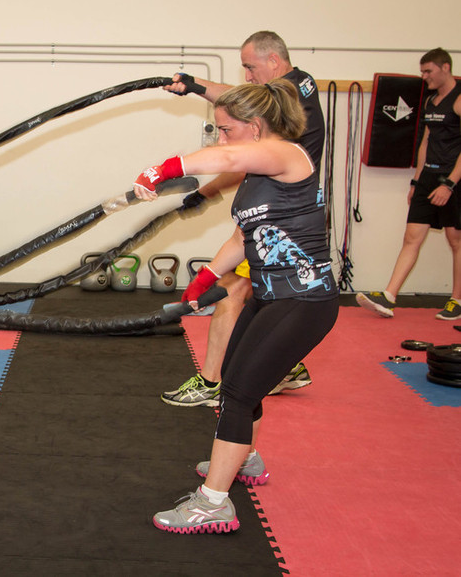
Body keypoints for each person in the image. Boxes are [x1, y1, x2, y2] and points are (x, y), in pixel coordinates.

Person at [133, 80, 339, 533]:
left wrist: (162, 169)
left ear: (255, 127)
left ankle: (213, 504)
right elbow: (244, 237)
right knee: (237, 384)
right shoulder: (259, 177)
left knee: (239, 395)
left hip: (304, 300)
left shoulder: (288, 154)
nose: (222, 140)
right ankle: (245, 457)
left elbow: (226, 159)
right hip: (271, 296)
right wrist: (204, 279)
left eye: (226, 130)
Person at [160, 30, 325, 407]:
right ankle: (287, 366)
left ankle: (211, 381)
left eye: (250, 67)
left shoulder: (292, 89)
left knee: (234, 292)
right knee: (250, 295)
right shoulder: (282, 121)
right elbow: (240, 159)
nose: (248, 75)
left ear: (274, 60)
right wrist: (207, 192)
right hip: (273, 216)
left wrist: (196, 86)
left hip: (282, 225)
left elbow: (237, 137)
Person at [356, 48, 461, 320]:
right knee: (411, 236)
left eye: (429, 71)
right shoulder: (430, 101)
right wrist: (417, 179)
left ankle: (457, 300)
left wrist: (449, 184)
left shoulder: (459, 98)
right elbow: (425, 141)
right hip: (429, 176)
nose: (424, 76)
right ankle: (390, 296)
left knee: (456, 239)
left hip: (454, 178)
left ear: (445, 68)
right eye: (422, 71)